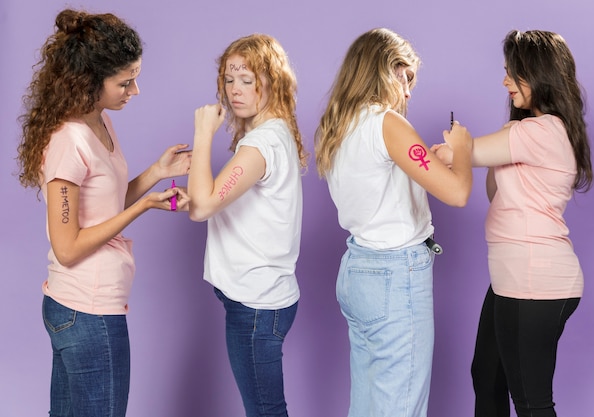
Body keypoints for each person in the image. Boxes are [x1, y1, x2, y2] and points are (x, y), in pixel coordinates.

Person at [16, 9, 191, 417]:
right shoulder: (68, 141)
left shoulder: (101, 121)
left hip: (83, 309)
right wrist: (145, 207)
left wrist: (156, 174)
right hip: (86, 311)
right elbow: (68, 248)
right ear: (90, 82)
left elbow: (103, 205)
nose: (135, 90)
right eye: (125, 82)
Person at [314, 28, 474, 417]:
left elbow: (384, 180)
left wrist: (428, 159)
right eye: (409, 78)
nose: (410, 92)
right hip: (395, 277)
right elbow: (457, 193)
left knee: (368, 405)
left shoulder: (338, 124)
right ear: (392, 70)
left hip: (357, 271)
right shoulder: (388, 123)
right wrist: (463, 150)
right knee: (401, 406)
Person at [434, 30, 593, 417]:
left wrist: (446, 146)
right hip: (514, 276)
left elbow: (459, 155)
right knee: (487, 376)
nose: (505, 82)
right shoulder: (525, 132)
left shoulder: (542, 131)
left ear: (540, 75)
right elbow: (495, 194)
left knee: (531, 401)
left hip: (536, 278)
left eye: (514, 73)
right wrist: (482, 147)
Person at [187, 33, 307, 417]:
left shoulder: (260, 144)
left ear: (271, 81)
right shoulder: (272, 135)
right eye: (228, 79)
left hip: (257, 303)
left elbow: (203, 207)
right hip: (260, 298)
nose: (234, 90)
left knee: (266, 411)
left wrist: (203, 132)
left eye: (247, 79)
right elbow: (219, 199)